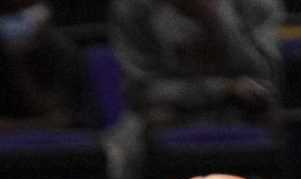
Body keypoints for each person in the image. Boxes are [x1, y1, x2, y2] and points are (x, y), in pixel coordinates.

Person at [110, 0, 280, 129]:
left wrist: (212, 19)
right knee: (143, 127)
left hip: (241, 110)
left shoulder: (255, 4)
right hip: (166, 114)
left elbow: (264, 77)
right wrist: (225, 88)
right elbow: (141, 90)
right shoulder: (134, 6)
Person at [0, 0, 89, 135]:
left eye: (26, 8)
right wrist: (30, 127)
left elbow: (61, 117)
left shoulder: (60, 49)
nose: (20, 16)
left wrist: (20, 65)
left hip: (50, 142)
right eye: (10, 11)